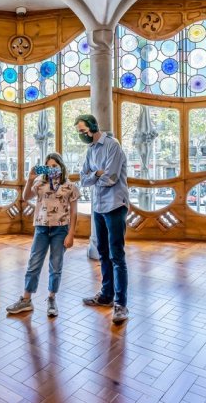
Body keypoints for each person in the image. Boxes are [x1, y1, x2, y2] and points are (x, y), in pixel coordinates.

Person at [6, 152, 79, 317]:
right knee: (34, 263)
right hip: (41, 228)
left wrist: (71, 234)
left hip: (61, 230)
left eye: (55, 165)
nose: (52, 168)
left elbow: (74, 212)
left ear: (61, 166)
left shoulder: (70, 186)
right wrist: (30, 178)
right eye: (48, 166)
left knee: (56, 265)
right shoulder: (40, 182)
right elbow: (25, 197)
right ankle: (26, 299)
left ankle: (52, 298)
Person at [74, 113, 130, 324]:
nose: (81, 135)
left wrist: (96, 176)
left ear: (93, 127)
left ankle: (121, 304)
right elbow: (83, 178)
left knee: (117, 255)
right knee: (103, 252)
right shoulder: (90, 151)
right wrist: (96, 175)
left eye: (83, 131)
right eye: (79, 132)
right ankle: (106, 295)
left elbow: (111, 178)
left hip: (115, 205)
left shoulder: (112, 146)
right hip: (98, 206)